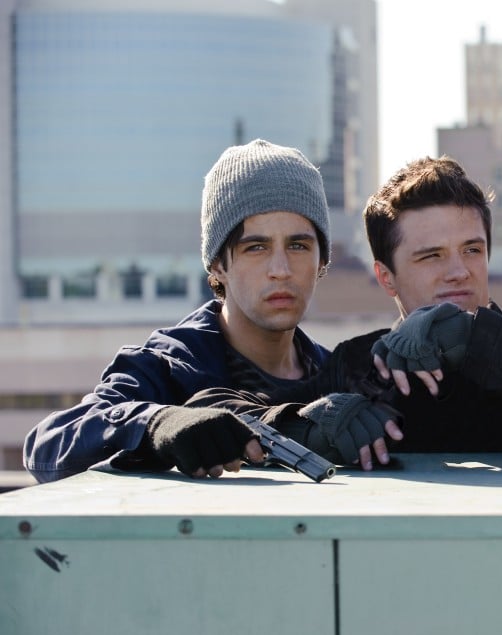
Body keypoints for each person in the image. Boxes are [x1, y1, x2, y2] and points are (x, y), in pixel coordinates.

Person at [187, 156, 502, 458]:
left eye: (472, 250)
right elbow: (215, 409)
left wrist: (474, 339)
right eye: (431, 256)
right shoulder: (360, 366)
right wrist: (303, 425)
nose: (458, 272)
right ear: (387, 278)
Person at [23, 139, 398, 483]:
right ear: (218, 265)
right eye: (256, 247)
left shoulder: (334, 371)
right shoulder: (170, 367)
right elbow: (48, 445)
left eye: (298, 246)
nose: (281, 269)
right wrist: (158, 423)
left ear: (321, 261)